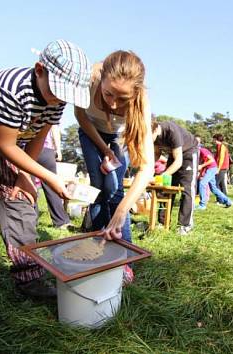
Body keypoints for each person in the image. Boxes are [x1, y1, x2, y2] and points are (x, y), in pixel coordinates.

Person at [0, 39, 90, 328]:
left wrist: (26, 177)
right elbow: (4, 143)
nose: (59, 99)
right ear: (39, 70)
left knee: (23, 205)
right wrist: (49, 176)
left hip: (12, 143)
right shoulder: (11, 89)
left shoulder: (54, 102)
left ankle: (29, 275)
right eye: (57, 91)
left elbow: (36, 136)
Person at [74, 50, 155, 283]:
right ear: (101, 80)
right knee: (99, 188)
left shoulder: (141, 104)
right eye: (108, 94)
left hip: (118, 136)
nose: (113, 104)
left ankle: (124, 258)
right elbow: (80, 116)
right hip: (91, 132)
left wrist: (120, 214)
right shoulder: (87, 80)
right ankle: (96, 247)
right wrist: (104, 148)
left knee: (117, 192)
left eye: (123, 99)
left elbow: (146, 167)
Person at [152, 120, 199, 235]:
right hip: (174, 155)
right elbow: (156, 154)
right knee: (166, 188)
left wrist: (163, 175)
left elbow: (178, 162)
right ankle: (163, 222)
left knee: (186, 189)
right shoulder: (152, 135)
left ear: (156, 129)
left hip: (188, 154)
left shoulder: (171, 130)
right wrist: (148, 170)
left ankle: (185, 225)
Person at [35, 125, 73, 228]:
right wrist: (58, 150)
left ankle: (31, 221)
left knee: (29, 184)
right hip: (46, 148)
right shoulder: (50, 110)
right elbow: (54, 128)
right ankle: (61, 221)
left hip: (26, 147)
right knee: (52, 186)